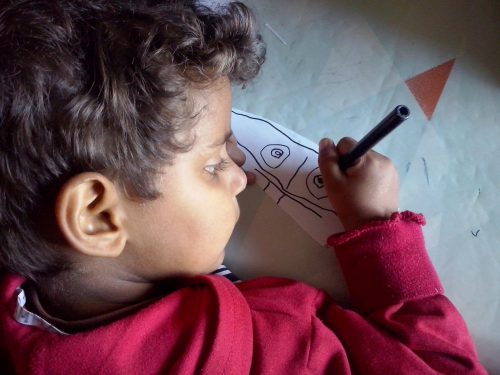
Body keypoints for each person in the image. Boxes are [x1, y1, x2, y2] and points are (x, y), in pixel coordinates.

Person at [0, 1, 487, 374]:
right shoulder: (266, 357)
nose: (243, 173)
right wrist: (376, 231)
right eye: (213, 164)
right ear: (98, 216)